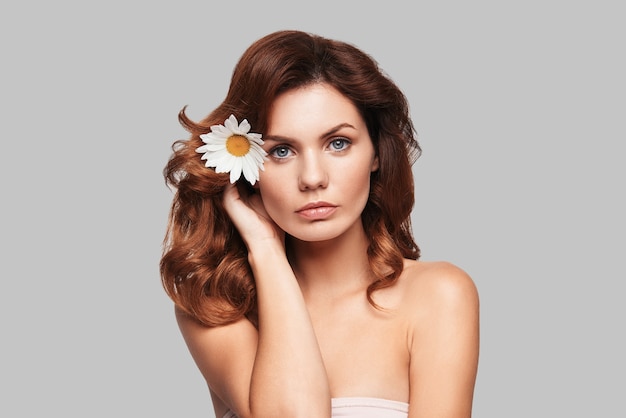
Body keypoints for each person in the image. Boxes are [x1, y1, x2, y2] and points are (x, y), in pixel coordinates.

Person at [160, 29, 479, 418]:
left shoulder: (438, 296)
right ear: (247, 168)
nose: (313, 178)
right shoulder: (216, 307)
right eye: (281, 150)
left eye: (338, 143)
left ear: (376, 152)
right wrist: (265, 248)